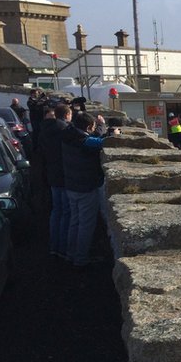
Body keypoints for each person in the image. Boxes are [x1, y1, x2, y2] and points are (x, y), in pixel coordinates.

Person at [61, 111, 118, 268]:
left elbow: (93, 139)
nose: (93, 130)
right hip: (85, 187)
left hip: (71, 185)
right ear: (87, 127)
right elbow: (102, 143)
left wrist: (101, 128)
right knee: (86, 225)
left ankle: (70, 254)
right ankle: (80, 259)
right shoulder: (82, 140)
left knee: (75, 221)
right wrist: (113, 135)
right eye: (93, 127)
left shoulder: (68, 133)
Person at [39, 104, 72, 260]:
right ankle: (63, 248)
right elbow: (80, 139)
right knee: (66, 212)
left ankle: (54, 246)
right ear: (66, 115)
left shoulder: (45, 129)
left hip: (51, 174)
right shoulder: (64, 129)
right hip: (64, 174)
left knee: (56, 211)